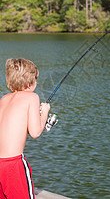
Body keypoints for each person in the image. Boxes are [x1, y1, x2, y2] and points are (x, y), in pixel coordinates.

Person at [0, 58, 50, 199]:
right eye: (36, 80)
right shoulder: (32, 97)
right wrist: (44, 111)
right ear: (29, 83)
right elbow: (35, 132)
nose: (37, 83)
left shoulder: (4, 99)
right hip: (13, 165)